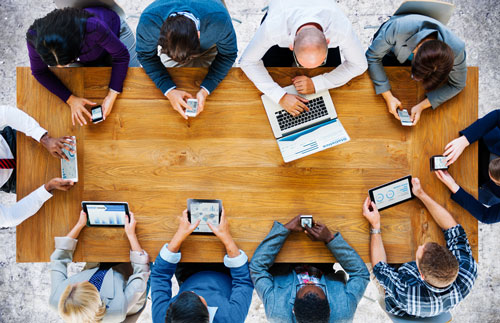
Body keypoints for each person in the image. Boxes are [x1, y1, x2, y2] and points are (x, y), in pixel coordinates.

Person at [362, 178, 477, 318]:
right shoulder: (467, 270)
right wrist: (421, 193)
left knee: (360, 250)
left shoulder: (406, 292)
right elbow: (453, 229)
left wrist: (375, 225)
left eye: (419, 251)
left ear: (420, 274)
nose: (421, 245)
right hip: (428, 300)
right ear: (452, 256)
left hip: (398, 296)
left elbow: (380, 268)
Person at [239, 0, 367, 117]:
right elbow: (248, 61)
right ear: (291, 46)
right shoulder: (273, 28)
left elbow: (359, 64)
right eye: (301, 63)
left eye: (321, 61)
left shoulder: (340, 29)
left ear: (328, 41)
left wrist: (318, 83)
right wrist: (280, 96)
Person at [27, 6, 139, 126]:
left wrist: (111, 96)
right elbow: (39, 72)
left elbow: (121, 55)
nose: (63, 67)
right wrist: (70, 99)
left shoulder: (92, 27)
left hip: (116, 36)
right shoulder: (34, 37)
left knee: (134, 81)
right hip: (87, 55)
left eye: (66, 63)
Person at [249, 215, 369, 323]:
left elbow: (257, 268)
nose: (309, 281)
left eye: (302, 287)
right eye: (318, 286)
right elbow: (361, 274)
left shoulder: (276, 311)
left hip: (283, 261)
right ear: (330, 309)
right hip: (322, 260)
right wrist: (330, 239)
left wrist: (285, 230)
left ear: (293, 309)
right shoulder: (344, 312)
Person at [136, 0, 237, 120]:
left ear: (199, 35)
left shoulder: (219, 20)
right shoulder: (149, 23)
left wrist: (206, 89)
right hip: (174, 47)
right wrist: (169, 90)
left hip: (210, 46)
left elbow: (228, 54)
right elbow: (145, 56)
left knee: (228, 94)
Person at [151, 209, 253, 323]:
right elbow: (243, 282)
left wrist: (179, 235)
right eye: (198, 298)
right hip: (229, 271)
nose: (194, 291)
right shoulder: (231, 319)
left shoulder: (162, 318)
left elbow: (159, 276)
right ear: (208, 315)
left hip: (188, 273)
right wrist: (227, 238)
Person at [365, 14, 467, 125]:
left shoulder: (457, 50)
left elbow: (457, 85)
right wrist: (388, 96)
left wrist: (422, 106)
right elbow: (372, 57)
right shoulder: (397, 28)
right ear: (414, 50)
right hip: (391, 50)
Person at [50, 211, 150, 322]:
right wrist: (131, 235)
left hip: (97, 270)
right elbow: (141, 273)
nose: (75, 281)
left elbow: (58, 260)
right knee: (148, 258)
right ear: (96, 294)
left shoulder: (57, 298)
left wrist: (79, 225)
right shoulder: (117, 309)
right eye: (82, 284)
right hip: (127, 287)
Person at [0, 106, 75, 228]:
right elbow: (8, 218)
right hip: (15, 179)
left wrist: (44, 138)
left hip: (14, 141)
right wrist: (47, 188)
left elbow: (5, 113)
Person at [435, 109, 500, 224]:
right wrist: (466, 139)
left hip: (481, 184)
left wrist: (454, 187)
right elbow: (498, 115)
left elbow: (486, 216)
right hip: (484, 141)